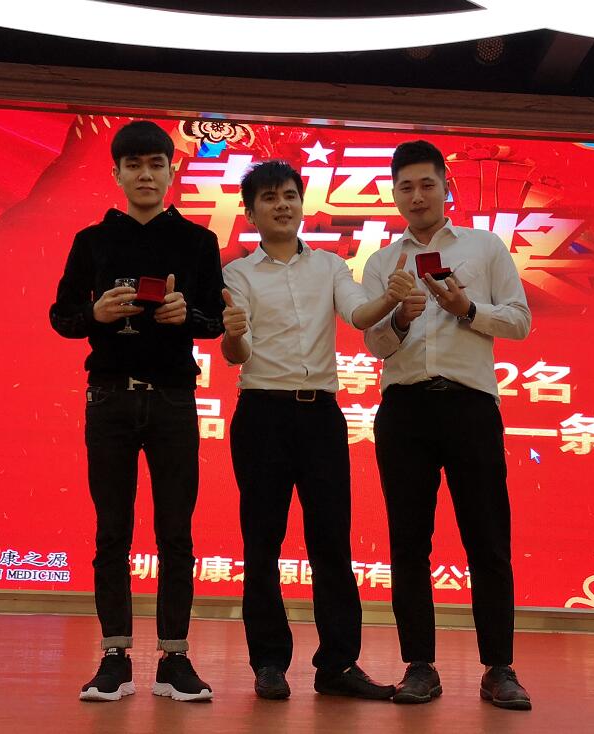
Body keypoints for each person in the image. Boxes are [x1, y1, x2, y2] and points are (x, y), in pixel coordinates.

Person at [219, 160, 415, 702]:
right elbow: (237, 352)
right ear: (250, 211)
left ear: (301, 203)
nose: (281, 205)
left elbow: (359, 314)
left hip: (321, 418)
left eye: (289, 195)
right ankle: (269, 663)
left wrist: (392, 297)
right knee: (262, 543)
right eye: (268, 198)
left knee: (331, 541)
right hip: (261, 415)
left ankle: (338, 665)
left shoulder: (329, 265)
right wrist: (232, 334)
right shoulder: (238, 274)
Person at [49, 120, 225, 703]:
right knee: (112, 533)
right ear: (117, 173)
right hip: (109, 397)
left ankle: (174, 658)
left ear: (173, 171)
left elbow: (216, 320)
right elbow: (61, 317)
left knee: (176, 533)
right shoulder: (92, 241)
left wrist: (185, 316)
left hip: (174, 397)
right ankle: (114, 657)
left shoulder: (198, 242)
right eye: (134, 165)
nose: (145, 175)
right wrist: (95, 315)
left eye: (156, 164)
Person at [360, 139, 534, 711]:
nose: (417, 196)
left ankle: (499, 668)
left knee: (488, 540)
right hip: (404, 410)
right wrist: (399, 320)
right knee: (408, 542)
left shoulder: (484, 247)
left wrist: (467, 309)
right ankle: (419, 666)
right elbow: (374, 344)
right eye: (405, 187)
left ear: (445, 188)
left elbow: (520, 322)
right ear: (394, 194)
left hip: (470, 407)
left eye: (426, 184)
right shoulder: (383, 262)